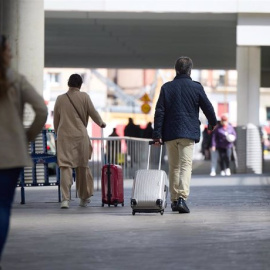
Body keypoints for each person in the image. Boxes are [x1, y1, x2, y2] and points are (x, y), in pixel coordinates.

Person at [0, 34, 48, 263]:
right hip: (10, 156)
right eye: (8, 50)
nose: (11, 53)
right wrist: (26, 137)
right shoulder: (16, 80)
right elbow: (41, 110)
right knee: (2, 207)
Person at [153, 56, 217, 213]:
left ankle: (174, 200)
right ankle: (182, 198)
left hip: (170, 133)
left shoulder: (167, 88)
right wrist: (212, 123)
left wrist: (157, 134)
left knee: (174, 166)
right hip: (188, 132)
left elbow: (159, 112)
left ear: (176, 69)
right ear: (190, 70)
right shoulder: (196, 87)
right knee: (186, 166)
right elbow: (207, 107)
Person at [53, 74, 106, 209]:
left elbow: (56, 120)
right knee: (82, 167)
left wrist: (57, 134)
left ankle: (65, 199)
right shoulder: (84, 97)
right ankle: (83, 198)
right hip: (80, 136)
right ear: (80, 85)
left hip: (64, 136)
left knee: (65, 167)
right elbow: (93, 113)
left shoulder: (60, 99)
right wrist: (101, 123)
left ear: (68, 83)